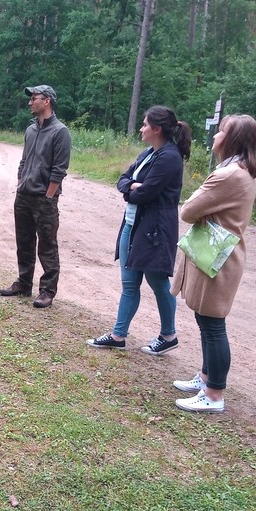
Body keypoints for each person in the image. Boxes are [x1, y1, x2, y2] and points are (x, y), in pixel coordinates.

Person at [172, 114, 256, 413]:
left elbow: (188, 210)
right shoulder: (242, 171)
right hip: (221, 255)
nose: (214, 136)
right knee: (205, 317)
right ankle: (206, 377)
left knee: (213, 324)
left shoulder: (228, 175)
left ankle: (213, 394)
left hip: (219, 259)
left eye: (221, 132)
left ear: (232, 139)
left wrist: (201, 206)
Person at [87, 105, 191, 354]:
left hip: (154, 231)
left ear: (156, 129)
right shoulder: (149, 153)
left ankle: (168, 335)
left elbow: (145, 194)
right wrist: (132, 185)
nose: (141, 129)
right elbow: (123, 179)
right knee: (130, 284)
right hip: (132, 227)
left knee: (157, 283)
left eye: (145, 125)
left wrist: (133, 189)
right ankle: (118, 335)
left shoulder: (169, 157)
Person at [0, 85, 72, 309]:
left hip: (44, 199)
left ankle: (47, 291)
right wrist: (21, 182)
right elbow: (23, 161)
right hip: (24, 195)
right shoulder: (30, 130)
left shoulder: (60, 132)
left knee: (48, 245)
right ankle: (23, 283)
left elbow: (59, 169)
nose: (30, 103)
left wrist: (49, 196)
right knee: (24, 242)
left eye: (34, 99)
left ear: (47, 101)